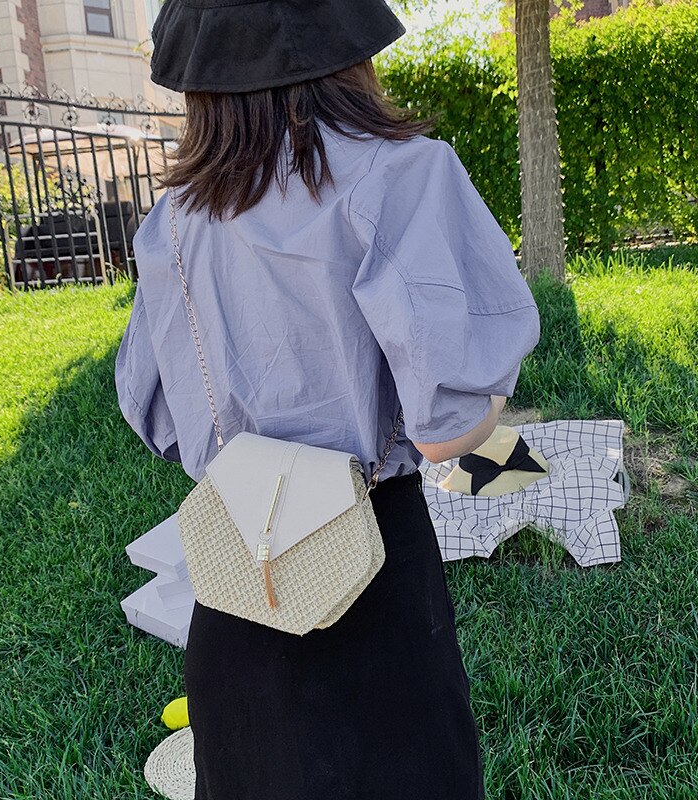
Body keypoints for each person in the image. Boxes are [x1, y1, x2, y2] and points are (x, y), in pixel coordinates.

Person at [115, 1, 541, 797]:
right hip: (372, 580)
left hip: (238, 578)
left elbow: (158, 416)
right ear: (347, 46)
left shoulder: (174, 218)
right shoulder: (403, 173)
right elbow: (450, 431)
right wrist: (497, 429)